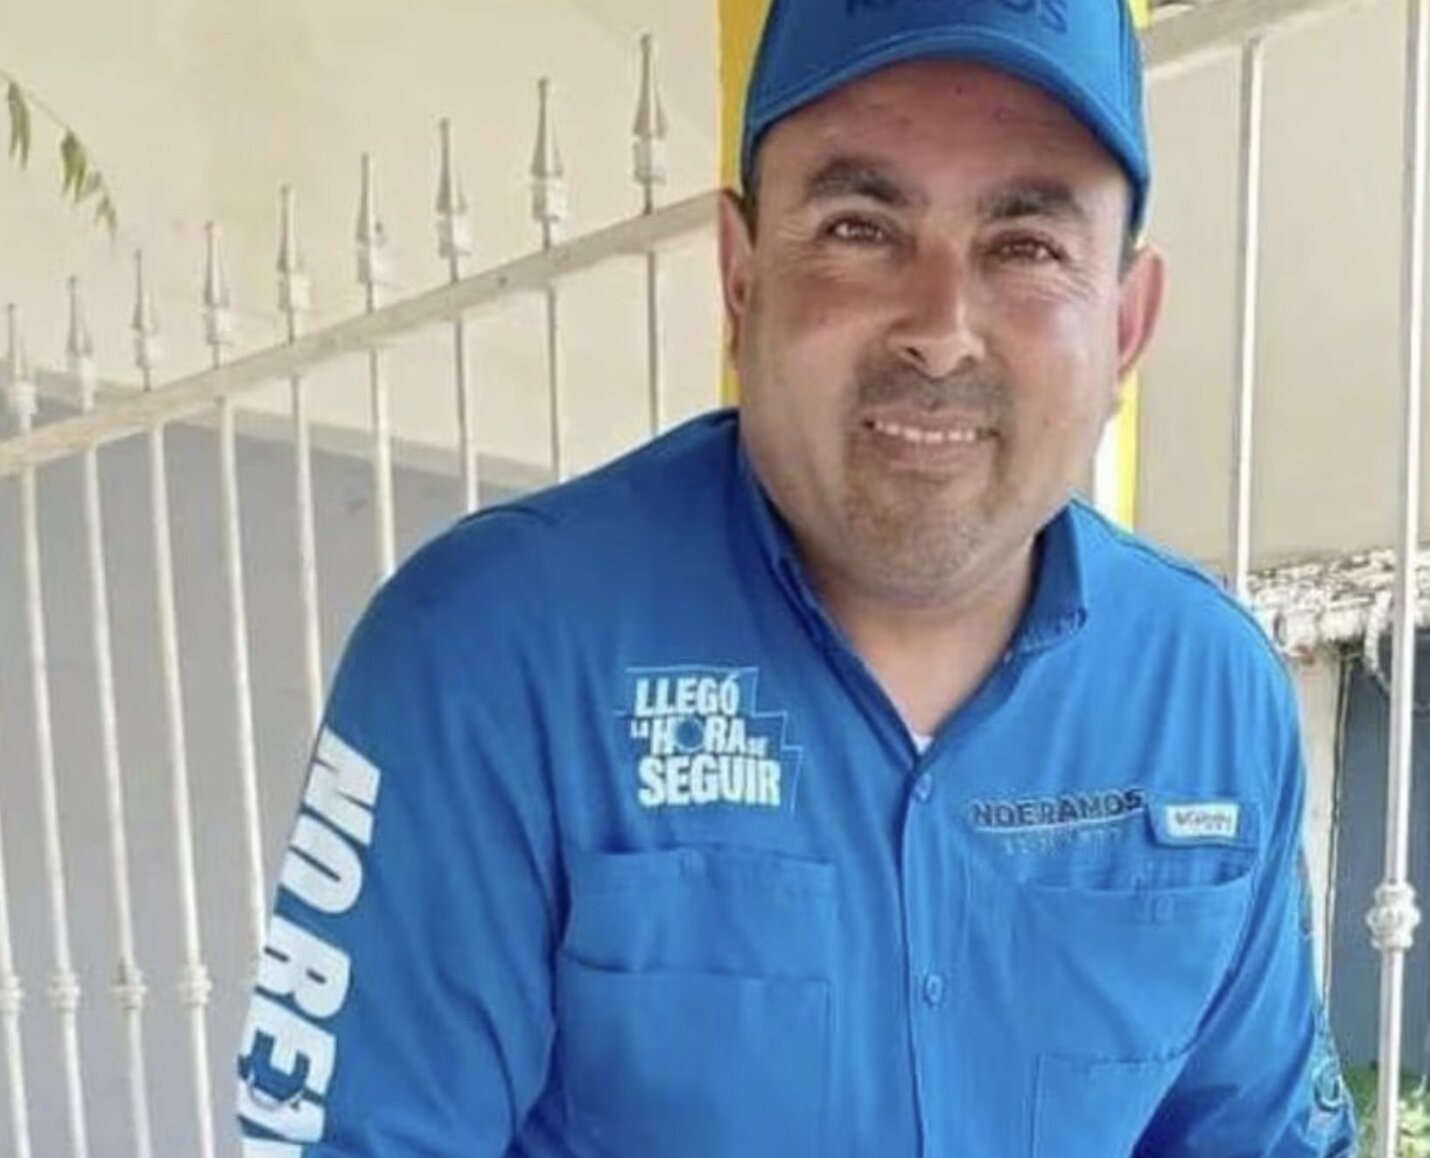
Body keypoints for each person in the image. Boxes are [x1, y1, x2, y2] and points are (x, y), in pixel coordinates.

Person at [234, 0, 1356, 1153]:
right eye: (861, 227)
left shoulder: (1210, 691)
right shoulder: (492, 651)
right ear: (741, 279)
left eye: (1026, 246)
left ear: (1125, 324)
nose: (941, 330)